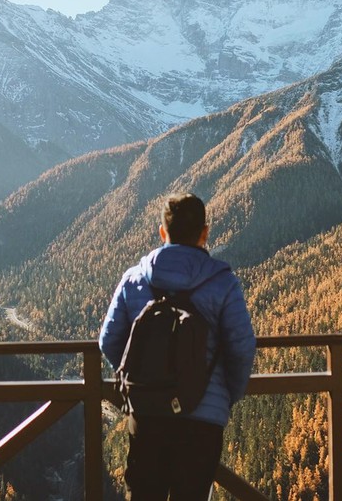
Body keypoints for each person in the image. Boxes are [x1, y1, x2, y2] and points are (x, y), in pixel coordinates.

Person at [99, 193, 256, 501]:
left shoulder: (134, 279)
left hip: (148, 412)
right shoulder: (223, 283)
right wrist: (226, 395)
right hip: (202, 419)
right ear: (204, 232)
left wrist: (140, 380)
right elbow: (241, 346)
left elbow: (109, 341)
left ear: (162, 232)